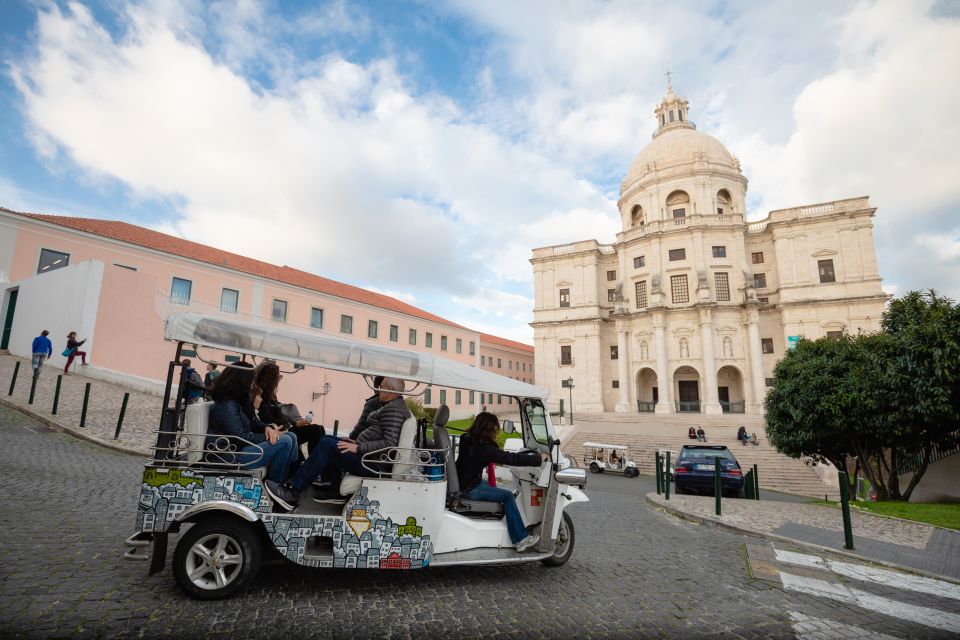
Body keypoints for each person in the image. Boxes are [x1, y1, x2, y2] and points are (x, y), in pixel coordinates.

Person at [264, 377, 411, 510]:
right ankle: (332, 487)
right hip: (369, 457)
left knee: (327, 445)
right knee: (326, 440)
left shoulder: (394, 410)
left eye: (382, 386)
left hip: (371, 463)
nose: (378, 389)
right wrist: (356, 441)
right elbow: (382, 436)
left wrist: (358, 447)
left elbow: (389, 443)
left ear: (390, 390)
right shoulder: (394, 406)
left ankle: (293, 492)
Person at [455, 412, 546, 552]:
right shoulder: (486, 450)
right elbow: (510, 459)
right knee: (508, 495)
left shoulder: (465, 439)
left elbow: (502, 455)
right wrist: (538, 459)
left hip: (464, 482)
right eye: (495, 429)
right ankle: (520, 539)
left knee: (493, 486)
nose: (496, 432)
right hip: (469, 489)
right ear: (489, 430)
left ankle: (504, 518)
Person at [205, 362, 297, 483]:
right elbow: (238, 437)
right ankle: (274, 485)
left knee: (291, 436)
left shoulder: (236, 401)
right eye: (251, 381)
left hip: (238, 449)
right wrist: (266, 437)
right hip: (229, 456)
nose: (252, 384)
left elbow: (251, 423)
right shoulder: (226, 404)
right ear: (241, 381)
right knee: (285, 441)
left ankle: (285, 480)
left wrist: (267, 428)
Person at [254, 361, 325, 458]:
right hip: (280, 429)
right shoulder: (260, 396)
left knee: (320, 428)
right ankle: (315, 463)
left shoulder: (269, 394)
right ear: (271, 379)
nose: (280, 379)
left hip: (284, 426)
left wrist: (294, 422)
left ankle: (319, 463)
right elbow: (268, 419)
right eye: (279, 376)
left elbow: (276, 411)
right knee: (316, 430)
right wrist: (294, 423)